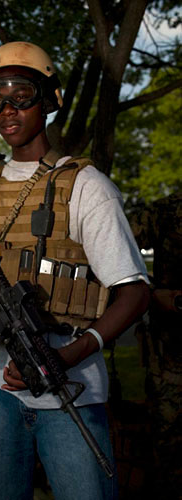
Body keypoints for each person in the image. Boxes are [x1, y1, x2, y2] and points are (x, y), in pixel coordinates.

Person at [0, 42, 150, 500]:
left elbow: (134, 293)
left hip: (71, 390)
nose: (7, 109)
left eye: (21, 94)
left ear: (48, 101)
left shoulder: (86, 186)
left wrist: (69, 355)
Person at [129, 192, 182, 500]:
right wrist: (149, 293)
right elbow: (109, 244)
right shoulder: (166, 211)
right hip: (172, 363)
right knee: (169, 453)